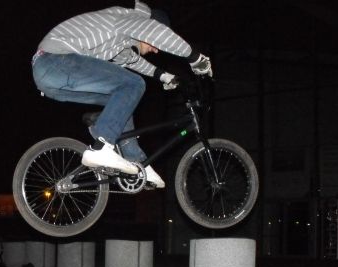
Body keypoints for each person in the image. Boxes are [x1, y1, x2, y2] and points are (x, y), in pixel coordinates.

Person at [32, 1, 213, 188]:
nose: (156, 49)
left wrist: (165, 76)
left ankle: (137, 162)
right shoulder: (132, 18)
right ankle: (101, 145)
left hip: (50, 78)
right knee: (134, 84)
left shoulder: (121, 40)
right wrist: (195, 58)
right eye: (155, 44)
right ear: (151, 25)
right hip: (56, 59)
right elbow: (158, 33)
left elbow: (133, 61)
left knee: (123, 99)